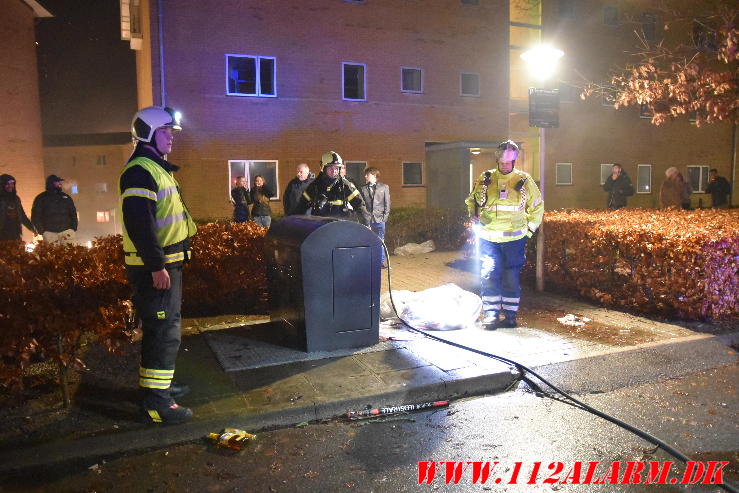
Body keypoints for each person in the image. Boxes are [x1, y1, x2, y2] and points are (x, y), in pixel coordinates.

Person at [120, 106, 197, 425]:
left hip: (166, 265)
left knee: (163, 330)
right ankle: (156, 403)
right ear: (149, 134)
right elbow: (139, 223)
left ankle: (159, 386)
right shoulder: (141, 171)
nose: (172, 139)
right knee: (164, 333)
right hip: (156, 269)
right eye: (167, 132)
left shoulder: (155, 168)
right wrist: (156, 266)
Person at [464, 140, 543, 329]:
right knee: (489, 273)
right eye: (502, 163)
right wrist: (473, 215)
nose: (505, 165)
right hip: (488, 238)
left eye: (508, 163)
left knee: (511, 277)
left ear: (514, 162)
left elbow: (537, 206)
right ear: (498, 161)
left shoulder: (524, 180)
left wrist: (529, 231)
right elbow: (471, 200)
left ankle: (510, 316)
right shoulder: (485, 178)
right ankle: (491, 314)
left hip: (514, 239)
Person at [295, 151, 370, 224]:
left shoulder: (346, 186)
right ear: (323, 168)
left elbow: (360, 206)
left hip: (339, 230)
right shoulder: (314, 187)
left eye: (336, 168)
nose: (334, 171)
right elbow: (300, 207)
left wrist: (366, 225)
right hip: (319, 230)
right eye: (331, 168)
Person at [358, 167, 391, 268]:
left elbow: (387, 204)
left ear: (374, 175)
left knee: (380, 241)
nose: (365, 176)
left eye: (367, 174)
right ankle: (369, 262)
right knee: (367, 241)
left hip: (380, 220)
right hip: (368, 220)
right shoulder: (363, 188)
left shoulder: (384, 187)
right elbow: (362, 205)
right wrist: (365, 218)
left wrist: (384, 218)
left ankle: (381, 262)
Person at [31, 174, 78, 244]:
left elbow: (73, 213)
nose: (60, 183)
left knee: (69, 253)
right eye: (57, 181)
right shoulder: (41, 198)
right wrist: (43, 232)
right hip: (50, 233)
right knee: (53, 254)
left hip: (67, 232)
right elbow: (36, 216)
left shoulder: (66, 197)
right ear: (51, 183)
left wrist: (73, 228)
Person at [0, 174, 35, 242]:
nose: (11, 186)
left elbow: (22, 216)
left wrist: (32, 228)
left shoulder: (16, 199)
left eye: (12, 184)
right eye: (7, 184)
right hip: (2, 233)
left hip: (15, 232)